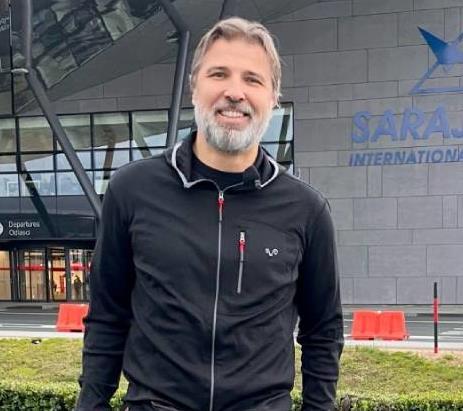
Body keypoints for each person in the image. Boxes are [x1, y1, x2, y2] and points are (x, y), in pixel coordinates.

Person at [77, 17, 343, 411]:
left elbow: (323, 331)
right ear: (194, 86)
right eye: (219, 74)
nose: (235, 92)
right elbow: (107, 316)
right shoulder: (132, 190)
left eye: (253, 79)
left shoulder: (306, 209)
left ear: (273, 97)